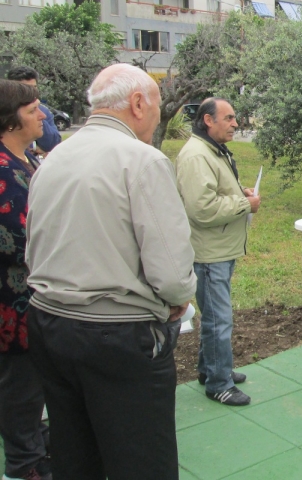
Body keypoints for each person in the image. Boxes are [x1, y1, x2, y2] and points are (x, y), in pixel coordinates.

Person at [25, 64, 196, 480]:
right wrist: (178, 300)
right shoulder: (142, 159)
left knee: (75, 451)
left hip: (48, 324)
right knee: (140, 461)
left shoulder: (54, 155)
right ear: (139, 103)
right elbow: (172, 273)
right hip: (115, 335)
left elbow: (35, 240)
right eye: (156, 103)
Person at [175, 98, 260, 406]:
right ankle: (219, 384)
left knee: (215, 316)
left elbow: (214, 192)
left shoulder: (211, 150)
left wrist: (240, 193)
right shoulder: (198, 156)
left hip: (219, 249)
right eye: (229, 118)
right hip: (209, 254)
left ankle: (210, 370)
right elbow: (202, 209)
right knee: (218, 319)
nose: (235, 123)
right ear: (208, 121)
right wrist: (243, 204)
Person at [0, 80, 50, 480]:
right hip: (10, 305)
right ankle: (25, 464)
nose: (43, 115)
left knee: (30, 384)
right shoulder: (2, 168)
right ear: (12, 119)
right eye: (34, 109)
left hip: (31, 297)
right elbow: (16, 238)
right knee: (19, 387)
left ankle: (34, 440)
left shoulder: (27, 158)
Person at [6, 67, 61, 154]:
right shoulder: (5, 112)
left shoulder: (43, 111)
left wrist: (35, 112)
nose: (32, 93)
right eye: (26, 89)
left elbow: (53, 144)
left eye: (34, 88)